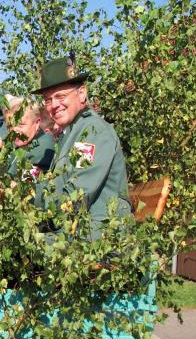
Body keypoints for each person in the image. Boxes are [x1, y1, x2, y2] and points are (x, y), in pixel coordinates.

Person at [33, 55, 131, 235]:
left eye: (60, 96)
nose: (54, 105)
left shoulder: (92, 131)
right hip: (76, 233)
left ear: (82, 93)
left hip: (98, 239)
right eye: (48, 100)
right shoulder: (72, 132)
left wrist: (36, 208)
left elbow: (76, 196)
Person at [0, 96, 56, 184]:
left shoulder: (43, 146)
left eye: (20, 125)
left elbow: (27, 185)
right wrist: (3, 149)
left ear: (37, 123)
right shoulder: (26, 141)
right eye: (10, 126)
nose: (14, 130)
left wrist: (2, 182)